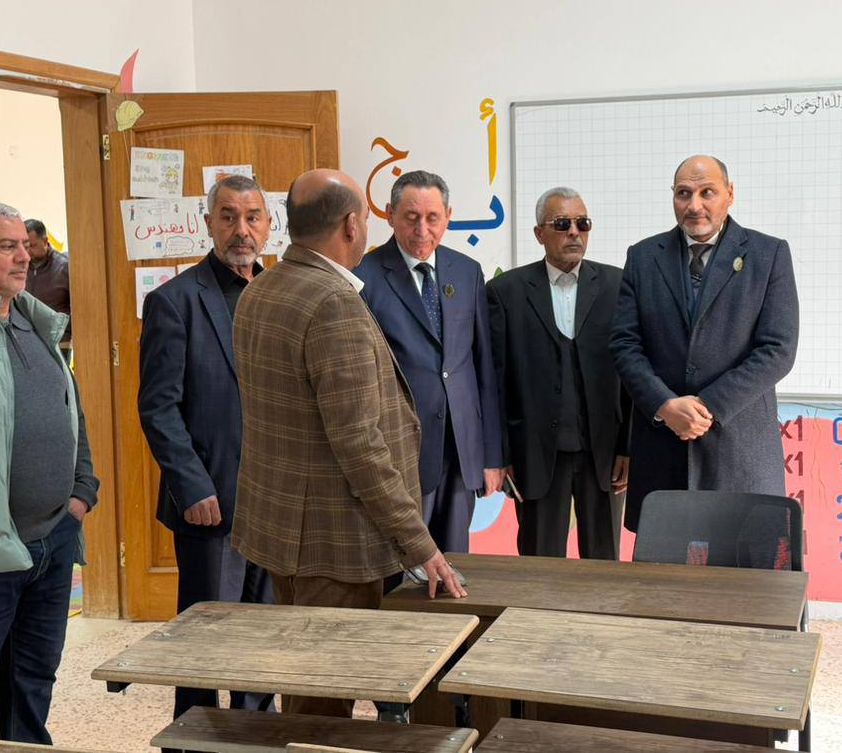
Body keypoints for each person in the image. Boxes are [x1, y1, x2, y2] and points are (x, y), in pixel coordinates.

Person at [231, 168, 465, 719]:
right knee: (322, 697)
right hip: (335, 544)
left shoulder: (260, 288)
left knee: (305, 678)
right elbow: (361, 444)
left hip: (282, 530)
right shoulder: (333, 302)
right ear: (351, 225)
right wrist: (421, 545)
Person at [138, 175, 275, 724]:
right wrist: (192, 486)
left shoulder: (279, 294)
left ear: (269, 224)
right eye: (228, 216)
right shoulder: (174, 301)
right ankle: (192, 737)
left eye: (252, 217)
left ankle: (256, 732)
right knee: (204, 641)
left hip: (276, 504)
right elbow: (158, 408)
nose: (242, 230)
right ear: (208, 223)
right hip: (212, 502)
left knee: (264, 636)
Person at [0, 200, 99, 743]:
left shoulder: (34, 318)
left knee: (34, 682)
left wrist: (82, 490)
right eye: (7, 246)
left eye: (24, 245)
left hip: (53, 538)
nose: (24, 256)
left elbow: (71, 409)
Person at [610, 155, 798, 532]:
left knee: (740, 564)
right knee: (663, 565)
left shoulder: (769, 254)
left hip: (739, 454)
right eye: (684, 193)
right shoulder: (643, 257)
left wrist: (706, 407)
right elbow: (625, 344)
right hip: (662, 449)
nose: (694, 205)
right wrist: (664, 405)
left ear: (730, 194)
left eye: (707, 192)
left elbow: (778, 349)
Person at [354, 170, 503, 553]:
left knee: (456, 567)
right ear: (390, 215)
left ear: (448, 217)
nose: (422, 229)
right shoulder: (363, 277)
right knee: (403, 567)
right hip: (400, 453)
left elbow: (482, 369)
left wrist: (491, 456)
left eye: (433, 217)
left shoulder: (467, 272)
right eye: (411, 217)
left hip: (461, 452)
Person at [486, 187, 629, 558]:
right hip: (533, 455)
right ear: (539, 233)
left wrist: (628, 448)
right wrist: (500, 454)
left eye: (583, 223)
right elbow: (495, 383)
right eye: (562, 224)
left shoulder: (618, 286)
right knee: (539, 564)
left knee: (605, 564)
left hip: (603, 455)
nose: (574, 232)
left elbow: (632, 374)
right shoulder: (505, 292)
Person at [23, 219, 71, 358]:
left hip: (58, 343)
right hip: (27, 339)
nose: (27, 252)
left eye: (32, 246)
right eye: (25, 246)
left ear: (45, 241)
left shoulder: (65, 266)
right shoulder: (21, 267)